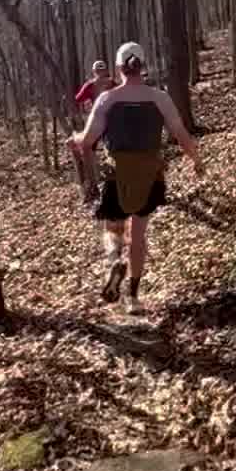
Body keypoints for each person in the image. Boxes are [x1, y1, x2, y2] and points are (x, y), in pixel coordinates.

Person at [69, 41, 201, 314]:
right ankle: (133, 296)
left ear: (119, 68)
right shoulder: (160, 98)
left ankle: (115, 260)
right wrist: (197, 160)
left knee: (113, 229)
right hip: (150, 174)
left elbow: (89, 139)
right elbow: (181, 135)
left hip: (117, 174)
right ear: (142, 66)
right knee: (138, 235)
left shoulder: (107, 99)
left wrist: (76, 139)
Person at [72, 60, 111, 202]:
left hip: (99, 121)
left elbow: (78, 98)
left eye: (100, 71)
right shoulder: (112, 83)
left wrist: (88, 101)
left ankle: (93, 185)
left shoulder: (90, 85)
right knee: (104, 149)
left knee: (88, 148)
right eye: (100, 71)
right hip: (111, 121)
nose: (100, 73)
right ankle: (97, 183)